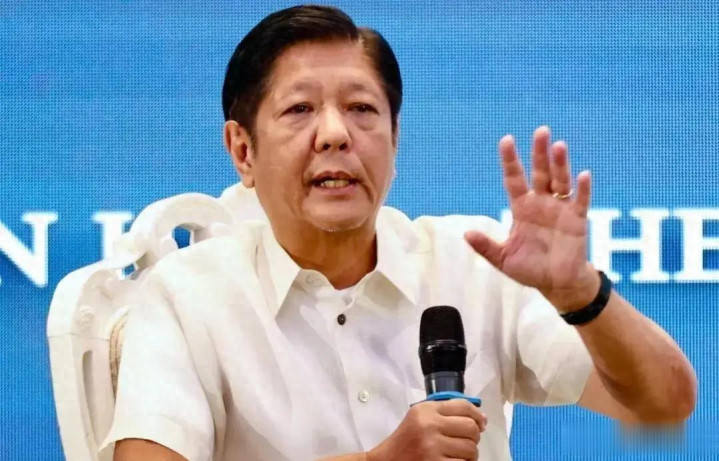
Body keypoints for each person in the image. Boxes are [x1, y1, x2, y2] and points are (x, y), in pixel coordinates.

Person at [104, 5, 696, 461]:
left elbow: (665, 406)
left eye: (362, 109)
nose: (335, 134)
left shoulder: (474, 261)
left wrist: (581, 294)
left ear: (395, 139)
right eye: (300, 110)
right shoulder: (188, 293)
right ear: (242, 150)